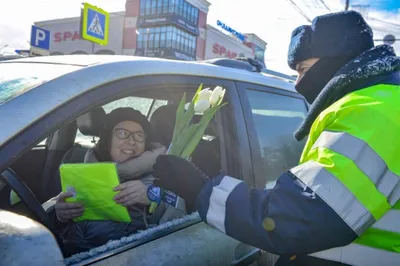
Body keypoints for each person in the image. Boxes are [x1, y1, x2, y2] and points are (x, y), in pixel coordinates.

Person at [151, 11, 400, 266]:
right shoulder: (378, 102)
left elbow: (301, 217)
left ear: (336, 59)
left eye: (303, 69)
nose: (298, 83)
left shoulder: (372, 111)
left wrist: (202, 189)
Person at [44, 107, 186, 256]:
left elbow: (181, 222)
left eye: (139, 136)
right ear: (107, 140)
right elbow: (46, 211)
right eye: (123, 133)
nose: (131, 141)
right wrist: (58, 215)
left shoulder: (161, 175)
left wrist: (153, 196)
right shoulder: (83, 171)